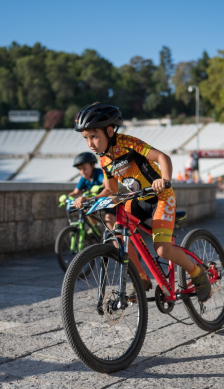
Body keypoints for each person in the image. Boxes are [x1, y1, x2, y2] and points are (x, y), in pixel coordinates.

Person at [72, 102, 211, 302]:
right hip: (137, 199)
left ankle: (198, 273)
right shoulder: (104, 160)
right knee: (119, 235)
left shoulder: (128, 143)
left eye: (94, 136)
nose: (90, 143)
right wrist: (89, 199)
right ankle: (141, 278)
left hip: (161, 197)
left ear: (109, 131)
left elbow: (162, 157)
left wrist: (164, 179)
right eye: (86, 138)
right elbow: (111, 190)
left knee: (162, 249)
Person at [67, 152, 115, 232]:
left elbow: (106, 182)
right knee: (85, 208)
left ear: (92, 165)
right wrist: (67, 197)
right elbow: (75, 192)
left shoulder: (98, 173)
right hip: (94, 201)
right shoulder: (83, 178)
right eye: (80, 169)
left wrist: (100, 186)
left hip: (106, 200)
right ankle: (95, 227)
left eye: (84, 169)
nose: (82, 172)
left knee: (109, 220)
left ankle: (115, 237)